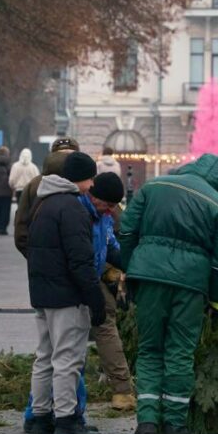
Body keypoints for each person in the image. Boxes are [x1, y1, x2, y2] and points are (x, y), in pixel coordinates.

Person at [119, 154, 218, 434]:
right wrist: (216, 296)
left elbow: (127, 231)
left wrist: (129, 267)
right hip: (190, 285)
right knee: (179, 352)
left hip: (148, 278)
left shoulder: (152, 187)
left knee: (149, 349)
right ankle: (174, 426)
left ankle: (146, 422)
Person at [26, 151, 106, 434]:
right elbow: (80, 260)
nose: (92, 184)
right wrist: (94, 298)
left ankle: (41, 419)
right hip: (67, 296)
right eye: (90, 178)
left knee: (44, 358)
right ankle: (66, 420)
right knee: (67, 360)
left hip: (42, 293)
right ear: (81, 178)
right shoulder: (72, 208)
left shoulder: (43, 203)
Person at [85, 172, 136, 411]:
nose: (110, 211)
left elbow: (112, 248)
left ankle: (121, 391)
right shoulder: (79, 213)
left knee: (102, 328)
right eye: (106, 205)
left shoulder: (105, 216)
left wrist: (133, 266)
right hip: (78, 283)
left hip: (94, 278)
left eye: (114, 207)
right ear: (93, 195)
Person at [15, 137, 77, 257]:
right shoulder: (86, 182)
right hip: (80, 263)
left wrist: (35, 256)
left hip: (43, 261)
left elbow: (21, 226)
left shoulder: (34, 184)